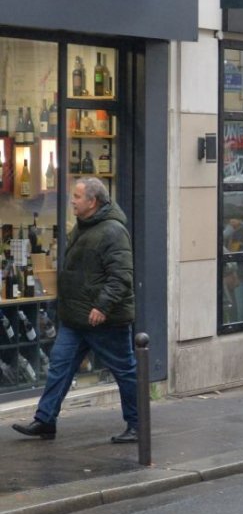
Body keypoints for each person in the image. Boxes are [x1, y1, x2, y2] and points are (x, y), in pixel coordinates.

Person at [13, 179, 139, 443]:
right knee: (59, 366)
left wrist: (103, 306)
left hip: (104, 319)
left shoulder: (113, 231)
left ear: (92, 202)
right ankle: (45, 420)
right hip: (76, 317)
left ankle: (138, 425)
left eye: (78, 196)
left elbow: (121, 276)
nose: (72, 200)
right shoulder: (82, 227)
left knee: (125, 372)